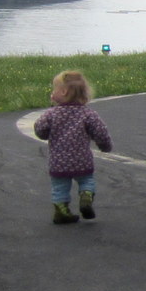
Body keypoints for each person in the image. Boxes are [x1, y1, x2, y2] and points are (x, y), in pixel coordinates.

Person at [32, 70, 113, 225]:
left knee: (59, 187)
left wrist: (48, 129)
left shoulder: (52, 114)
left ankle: (61, 211)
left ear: (63, 92)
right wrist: (105, 146)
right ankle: (86, 196)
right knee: (87, 180)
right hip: (82, 159)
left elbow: (40, 130)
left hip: (58, 161)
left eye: (54, 89)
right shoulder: (88, 114)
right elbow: (101, 132)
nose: (52, 92)